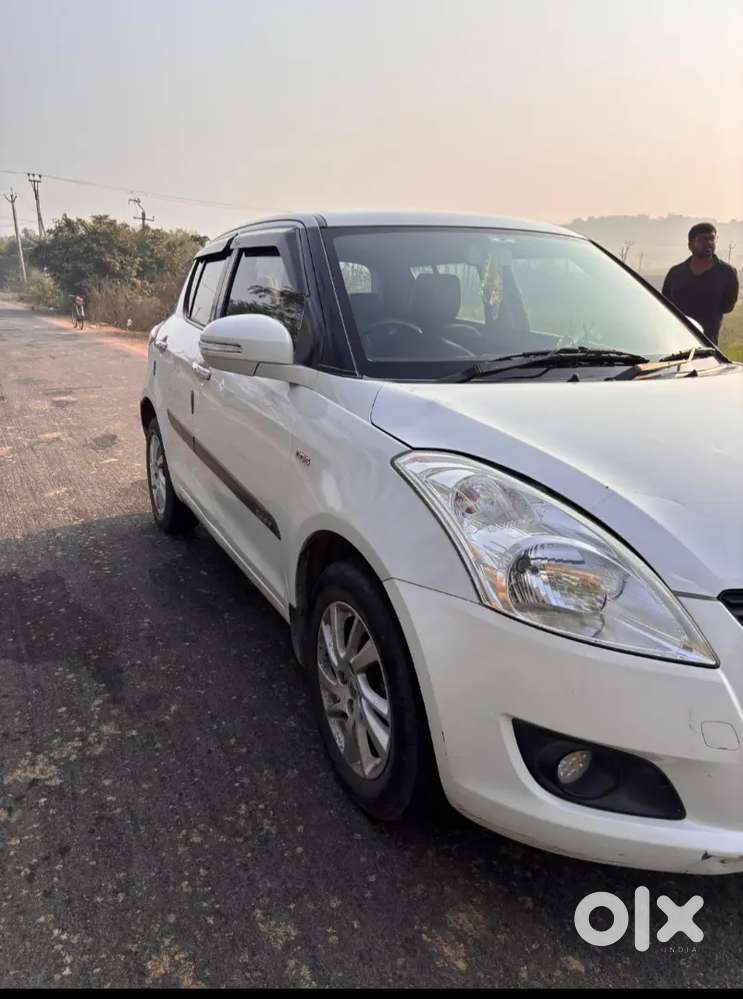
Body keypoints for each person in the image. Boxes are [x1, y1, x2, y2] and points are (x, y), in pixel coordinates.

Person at [662, 223, 738, 345]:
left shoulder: (727, 273)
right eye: (702, 239)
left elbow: (728, 306)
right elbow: (665, 303)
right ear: (690, 245)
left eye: (711, 238)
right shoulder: (676, 273)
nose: (708, 243)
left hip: (707, 343)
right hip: (675, 341)